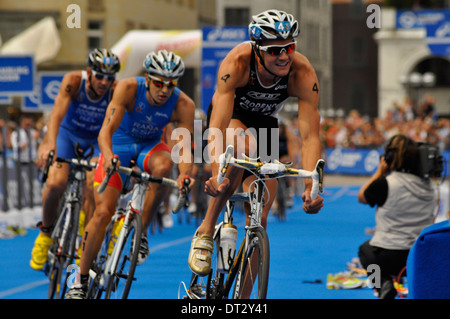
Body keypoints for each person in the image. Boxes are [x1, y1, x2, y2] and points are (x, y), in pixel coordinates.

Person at [188, 9, 324, 278]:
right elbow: (215, 128)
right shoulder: (237, 62)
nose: (284, 56)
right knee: (244, 147)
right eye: (275, 50)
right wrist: (218, 174)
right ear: (258, 49)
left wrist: (312, 187)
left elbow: (310, 137)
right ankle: (205, 230)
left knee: (259, 221)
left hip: (264, 126)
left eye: (289, 47)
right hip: (230, 118)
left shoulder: (302, 72)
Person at [65, 49, 195, 299]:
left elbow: (183, 149)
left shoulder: (184, 104)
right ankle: (79, 280)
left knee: (165, 167)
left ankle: (142, 231)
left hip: (150, 146)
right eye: (158, 82)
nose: (164, 90)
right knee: (103, 212)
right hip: (119, 143)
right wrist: (108, 155)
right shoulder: (126, 88)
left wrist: (185, 174)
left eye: (171, 84)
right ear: (147, 78)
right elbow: (106, 130)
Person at [31, 48, 120, 271]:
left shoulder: (116, 91)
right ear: (88, 72)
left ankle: (85, 243)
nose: (103, 82)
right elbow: (56, 115)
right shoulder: (73, 81)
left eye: (109, 78)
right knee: (55, 184)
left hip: (95, 142)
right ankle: (46, 233)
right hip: (67, 136)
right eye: (99, 76)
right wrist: (48, 143)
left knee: (93, 186)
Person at [357, 134, 437, 299]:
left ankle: (382, 285)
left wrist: (380, 171)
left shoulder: (385, 184)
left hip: (390, 257)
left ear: (390, 158)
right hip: (420, 255)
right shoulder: (430, 186)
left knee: (365, 250)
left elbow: (361, 196)